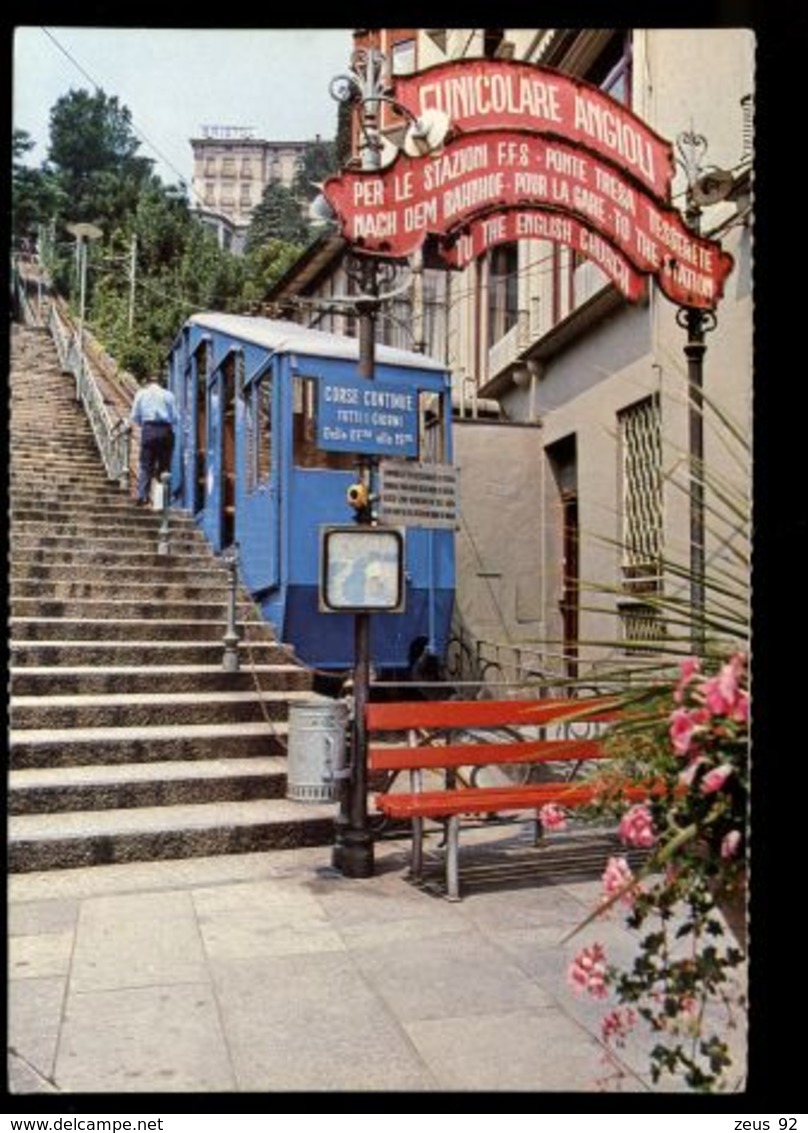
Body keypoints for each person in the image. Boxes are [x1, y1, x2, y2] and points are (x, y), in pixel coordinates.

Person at [129, 372, 178, 506]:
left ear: (147, 382)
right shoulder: (168, 395)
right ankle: (161, 501)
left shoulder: (141, 394)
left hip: (148, 430)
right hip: (165, 430)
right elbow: (175, 417)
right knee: (164, 466)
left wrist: (144, 425)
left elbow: (134, 415)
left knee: (146, 464)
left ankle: (143, 496)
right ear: (161, 382)